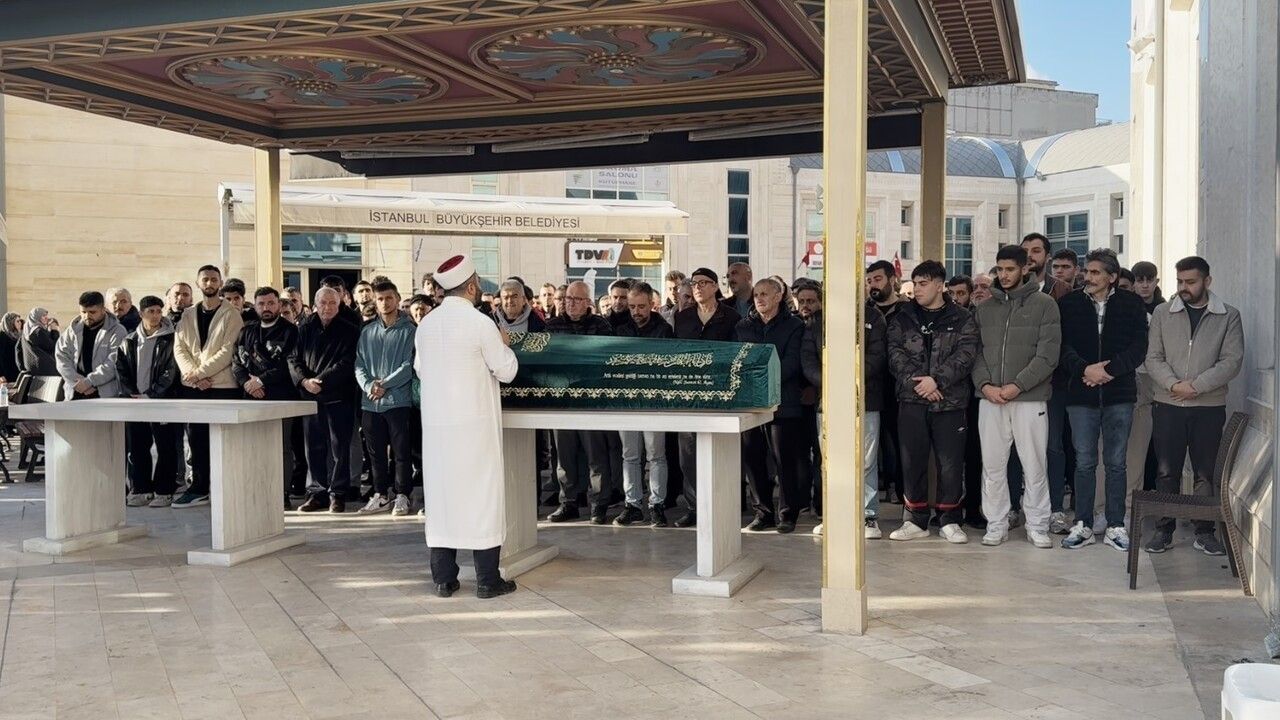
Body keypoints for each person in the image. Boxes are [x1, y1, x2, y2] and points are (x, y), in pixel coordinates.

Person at [417, 255, 519, 599]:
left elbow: (420, 369)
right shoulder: (480, 324)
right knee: (482, 497)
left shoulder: (426, 324)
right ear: (472, 286)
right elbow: (506, 371)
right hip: (474, 428)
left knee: (443, 499)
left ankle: (444, 579)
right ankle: (488, 580)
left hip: (437, 428)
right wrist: (505, 346)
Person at [1144, 256, 1244, 555]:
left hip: (1208, 407)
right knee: (1166, 471)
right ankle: (1163, 530)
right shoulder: (1163, 312)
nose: (1184, 288)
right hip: (1168, 404)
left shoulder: (1228, 316)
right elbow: (1153, 358)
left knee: (1205, 472)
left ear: (1207, 281)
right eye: (1180, 282)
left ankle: (1204, 531)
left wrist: (1196, 387)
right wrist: (1175, 386)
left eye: (1191, 282)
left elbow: (1232, 360)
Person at [971, 245, 1061, 548]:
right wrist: (986, 386)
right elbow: (976, 353)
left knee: (1034, 464)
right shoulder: (984, 308)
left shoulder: (1045, 304)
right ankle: (996, 524)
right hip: (991, 399)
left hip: (1029, 399)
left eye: (1010, 269)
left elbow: (1048, 355)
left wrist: (1016, 386)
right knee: (993, 465)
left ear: (1025, 269)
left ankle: (1037, 524)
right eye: (1000, 269)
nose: (1005, 275)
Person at [1057, 248, 1147, 550]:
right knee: (1083, 462)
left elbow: (1138, 348)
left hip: (1118, 394)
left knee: (1116, 463)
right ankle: (1082, 523)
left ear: (1112, 277)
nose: (1088, 276)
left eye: (1096, 272)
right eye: (1087, 271)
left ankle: (1115, 525)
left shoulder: (1132, 305)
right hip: (1080, 394)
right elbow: (1062, 347)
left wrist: (1107, 371)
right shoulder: (1068, 304)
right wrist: (1084, 369)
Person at [886, 260, 980, 544]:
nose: (917, 289)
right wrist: (922, 384)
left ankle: (950, 519)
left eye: (924, 283)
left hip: (949, 402)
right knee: (912, 460)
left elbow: (965, 355)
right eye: (915, 283)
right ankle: (915, 519)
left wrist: (936, 380)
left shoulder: (961, 317)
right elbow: (895, 355)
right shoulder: (903, 316)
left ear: (941, 285)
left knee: (950, 463)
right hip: (912, 400)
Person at [807, 294, 888, 539]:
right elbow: (808, 359)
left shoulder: (873, 317)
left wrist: (850, 379)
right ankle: (834, 515)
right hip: (829, 400)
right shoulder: (818, 320)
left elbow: (877, 356)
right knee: (831, 461)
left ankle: (868, 516)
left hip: (865, 398)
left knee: (865, 460)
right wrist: (830, 381)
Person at [671, 268, 742, 528]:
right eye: (694, 283)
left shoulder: (731, 317)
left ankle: (721, 506)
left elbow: (735, 354)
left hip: (719, 392)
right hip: (689, 393)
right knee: (688, 454)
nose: (698, 287)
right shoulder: (683, 317)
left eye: (704, 283)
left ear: (715, 287)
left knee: (720, 450)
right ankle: (693, 507)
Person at [735, 279, 806, 533]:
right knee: (753, 459)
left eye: (764, 294)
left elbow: (793, 363)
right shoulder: (743, 327)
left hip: (783, 403)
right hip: (751, 404)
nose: (759, 298)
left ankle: (787, 514)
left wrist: (764, 378)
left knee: (784, 460)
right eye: (756, 295)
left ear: (778, 296)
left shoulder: (795, 326)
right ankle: (762, 512)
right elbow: (739, 362)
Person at [172, 265, 245, 508]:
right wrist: (191, 375)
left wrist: (200, 373)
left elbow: (228, 350)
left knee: (225, 442)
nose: (210, 283)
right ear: (198, 283)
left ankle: (228, 490)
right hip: (194, 387)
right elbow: (179, 347)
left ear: (220, 282)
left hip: (222, 386)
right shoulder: (187, 314)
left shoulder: (232, 314)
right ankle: (199, 489)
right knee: (197, 441)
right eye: (205, 279)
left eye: (214, 279)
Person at [545, 281, 618, 523]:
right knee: (564, 456)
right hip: (562, 399)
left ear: (588, 302)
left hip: (590, 400)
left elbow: (606, 361)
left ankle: (599, 504)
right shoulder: (551, 326)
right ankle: (568, 502)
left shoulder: (601, 326)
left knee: (595, 455)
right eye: (567, 299)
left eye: (576, 299)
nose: (571, 303)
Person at [290, 287, 361, 513]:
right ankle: (317, 493)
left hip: (339, 396)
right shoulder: (304, 328)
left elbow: (348, 362)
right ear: (315, 303)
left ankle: (338, 494)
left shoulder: (350, 330)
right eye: (323, 303)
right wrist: (304, 381)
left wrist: (319, 381)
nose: (327, 307)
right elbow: (293, 359)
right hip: (310, 397)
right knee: (313, 448)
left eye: (332, 303)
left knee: (340, 448)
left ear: (339, 304)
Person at [610, 283, 675, 525]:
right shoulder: (621, 328)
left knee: (656, 454)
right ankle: (632, 504)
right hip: (626, 399)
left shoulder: (663, 330)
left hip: (654, 399)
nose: (636, 311)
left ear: (652, 305)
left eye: (641, 306)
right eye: (632, 306)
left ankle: (657, 504)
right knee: (630, 455)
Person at [231, 287, 301, 508]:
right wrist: (247, 383)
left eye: (271, 303)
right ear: (255, 305)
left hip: (281, 397)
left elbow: (288, 364)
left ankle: (281, 493)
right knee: (253, 446)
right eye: (261, 304)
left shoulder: (291, 331)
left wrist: (260, 381)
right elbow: (237, 362)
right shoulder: (246, 331)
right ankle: (256, 490)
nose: (266, 308)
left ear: (279, 305)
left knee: (281, 448)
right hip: (251, 397)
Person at [354, 280, 418, 517]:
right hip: (370, 402)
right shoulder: (367, 331)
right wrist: (370, 385)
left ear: (398, 299)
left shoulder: (409, 330)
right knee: (375, 453)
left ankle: (402, 494)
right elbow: (359, 364)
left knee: (401, 452)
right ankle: (380, 494)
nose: (384, 302)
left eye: (389, 297)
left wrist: (385, 384)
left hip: (398, 401)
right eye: (380, 299)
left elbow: (408, 365)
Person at [116, 295, 180, 508]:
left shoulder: (171, 338)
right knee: (138, 447)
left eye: (158, 311)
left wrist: (152, 394)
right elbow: (121, 370)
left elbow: (171, 371)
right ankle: (141, 488)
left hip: (161, 401)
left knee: (166, 446)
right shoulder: (129, 340)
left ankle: (164, 490)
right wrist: (131, 393)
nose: (155, 315)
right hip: (136, 403)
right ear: (142, 313)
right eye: (150, 311)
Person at [867, 259, 907, 504]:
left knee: (898, 442)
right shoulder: (865, 312)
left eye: (878, 279)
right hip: (871, 387)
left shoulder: (907, 311)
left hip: (897, 387)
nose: (873, 285)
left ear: (892, 280)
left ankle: (899, 489)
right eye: (869, 280)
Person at [55, 291, 127, 401]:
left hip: (104, 395)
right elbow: (61, 357)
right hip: (75, 392)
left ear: (103, 310)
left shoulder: (117, 331)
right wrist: (78, 382)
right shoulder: (72, 330)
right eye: (83, 312)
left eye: (92, 312)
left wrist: (89, 382)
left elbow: (114, 362)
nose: (87, 316)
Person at [1021, 233, 1072, 300]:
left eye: (1036, 251)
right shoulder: (1010, 286)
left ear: (1047, 257)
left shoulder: (1063, 289)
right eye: (1024, 251)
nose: (1028, 255)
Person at [21, 307, 60, 376]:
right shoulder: (38, 331)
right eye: (43, 316)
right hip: (45, 368)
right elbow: (53, 347)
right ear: (36, 317)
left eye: (46, 315)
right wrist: (54, 331)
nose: (46, 318)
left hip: (33, 367)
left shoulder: (27, 331)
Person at [0, 313, 22, 382]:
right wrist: (1, 375)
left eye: (20, 321)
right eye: (17, 321)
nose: (20, 323)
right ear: (10, 323)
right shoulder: (2, 336)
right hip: (7, 373)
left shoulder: (18, 335)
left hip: (17, 372)